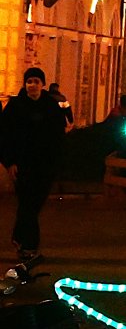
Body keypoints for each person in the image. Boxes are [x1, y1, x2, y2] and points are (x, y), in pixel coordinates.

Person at [0, 68, 67, 264]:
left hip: (45, 166)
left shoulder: (51, 107)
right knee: (27, 203)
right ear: (25, 84)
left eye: (36, 81)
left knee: (34, 205)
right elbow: (5, 136)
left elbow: (58, 137)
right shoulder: (15, 107)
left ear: (42, 84)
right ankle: (29, 247)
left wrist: (56, 163)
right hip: (23, 165)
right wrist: (9, 161)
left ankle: (19, 239)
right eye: (29, 81)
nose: (32, 85)